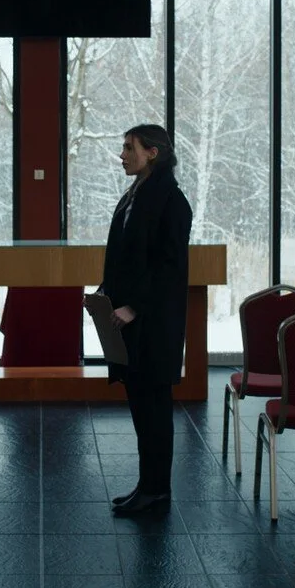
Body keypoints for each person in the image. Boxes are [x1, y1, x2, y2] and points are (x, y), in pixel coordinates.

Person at [99, 124, 193, 516]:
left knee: (154, 407)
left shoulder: (171, 200)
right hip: (132, 320)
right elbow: (126, 255)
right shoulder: (136, 195)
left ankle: (157, 491)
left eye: (128, 148)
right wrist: (105, 293)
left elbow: (167, 268)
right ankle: (148, 485)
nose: (122, 155)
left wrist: (133, 306)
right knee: (141, 405)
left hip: (153, 323)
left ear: (152, 152)